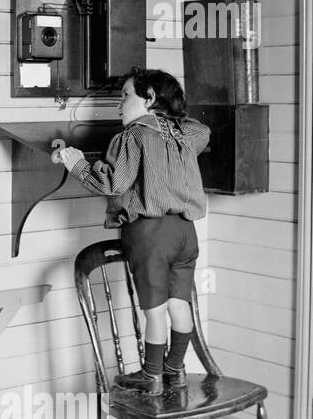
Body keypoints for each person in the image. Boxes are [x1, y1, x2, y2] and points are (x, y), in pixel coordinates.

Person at [54, 68, 210, 396]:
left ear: (150, 99)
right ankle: (175, 370)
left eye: (126, 96)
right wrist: (169, 117)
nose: (119, 104)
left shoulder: (133, 136)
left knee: (154, 311)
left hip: (150, 236)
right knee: (179, 305)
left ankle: (151, 376)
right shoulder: (183, 134)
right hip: (186, 233)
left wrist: (76, 162)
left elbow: (114, 182)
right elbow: (203, 131)